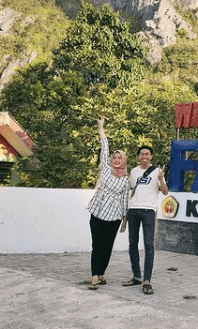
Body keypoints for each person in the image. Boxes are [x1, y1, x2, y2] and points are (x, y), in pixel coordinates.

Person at [86, 116, 129, 290]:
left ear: (124, 161)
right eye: (115, 157)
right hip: (97, 212)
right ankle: (94, 277)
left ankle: (101, 273)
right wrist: (101, 128)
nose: (117, 160)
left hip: (114, 217)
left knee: (107, 247)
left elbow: (125, 199)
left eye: (120, 158)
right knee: (97, 245)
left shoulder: (126, 180)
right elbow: (105, 147)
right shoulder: (105, 168)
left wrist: (125, 220)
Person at [122, 144, 168, 294]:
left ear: (151, 156)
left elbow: (165, 192)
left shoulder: (157, 171)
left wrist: (161, 179)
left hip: (149, 211)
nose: (144, 157)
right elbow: (129, 190)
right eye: (142, 154)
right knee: (132, 243)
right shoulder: (134, 171)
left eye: (147, 154)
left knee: (149, 245)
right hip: (133, 210)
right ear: (138, 156)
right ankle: (137, 276)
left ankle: (147, 280)